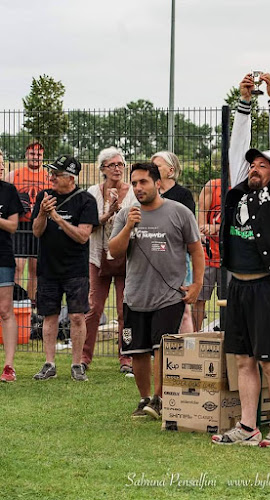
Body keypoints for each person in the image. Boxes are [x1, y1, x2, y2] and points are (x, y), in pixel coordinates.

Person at [211, 73, 270, 447]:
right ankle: (247, 426)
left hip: (266, 285)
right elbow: (236, 148)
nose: (256, 168)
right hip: (238, 286)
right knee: (244, 360)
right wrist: (244, 102)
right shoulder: (236, 191)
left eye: (263, 165)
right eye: (253, 165)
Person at [108, 163, 204, 419]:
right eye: (135, 183)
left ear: (158, 183)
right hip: (135, 296)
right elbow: (114, 252)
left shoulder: (180, 212)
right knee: (137, 351)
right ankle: (144, 399)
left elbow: (196, 250)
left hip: (169, 296)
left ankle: (160, 399)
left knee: (161, 346)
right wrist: (129, 227)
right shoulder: (126, 215)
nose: (138, 188)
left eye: (144, 182)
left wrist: (196, 285)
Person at [31, 156, 99, 381]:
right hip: (48, 268)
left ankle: (77, 364)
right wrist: (42, 213)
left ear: (70, 178)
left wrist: (57, 218)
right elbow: (36, 232)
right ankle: (49, 363)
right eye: (51, 173)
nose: (51, 177)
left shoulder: (86, 200)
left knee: (77, 316)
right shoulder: (44, 197)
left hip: (76, 270)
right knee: (49, 316)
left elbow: (82, 236)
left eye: (56, 174)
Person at [82, 147, 136, 374]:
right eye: (112, 165)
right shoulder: (93, 192)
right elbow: (88, 225)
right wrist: (109, 213)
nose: (117, 169)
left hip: (127, 258)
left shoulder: (133, 192)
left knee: (126, 310)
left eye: (121, 164)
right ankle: (83, 357)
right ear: (103, 169)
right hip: (98, 256)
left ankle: (127, 357)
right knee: (94, 308)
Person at [152, 151, 196, 333]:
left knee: (183, 307)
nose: (152, 169)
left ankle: (186, 351)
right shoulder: (149, 194)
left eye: (157, 166)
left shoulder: (183, 195)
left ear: (170, 171)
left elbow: (187, 228)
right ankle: (158, 350)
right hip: (152, 258)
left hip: (178, 259)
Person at [6, 142, 51, 303]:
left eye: (39, 155)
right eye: (32, 154)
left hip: (39, 224)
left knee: (35, 267)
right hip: (21, 225)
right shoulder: (15, 175)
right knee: (18, 265)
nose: (35, 157)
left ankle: (32, 304)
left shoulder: (48, 176)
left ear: (43, 156)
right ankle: (17, 300)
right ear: (26, 155)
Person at [0, 149, 25, 382]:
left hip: (3, 257)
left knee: (6, 311)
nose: (0, 168)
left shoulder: (8, 192)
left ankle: (8, 366)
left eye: (1, 165)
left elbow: (13, 226)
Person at [192, 178, 224, 331]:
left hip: (231, 259)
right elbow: (202, 219)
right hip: (207, 256)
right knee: (198, 299)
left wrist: (217, 228)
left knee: (229, 301)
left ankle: (228, 337)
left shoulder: (244, 188)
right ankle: (195, 336)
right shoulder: (213, 185)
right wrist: (203, 230)